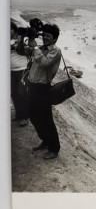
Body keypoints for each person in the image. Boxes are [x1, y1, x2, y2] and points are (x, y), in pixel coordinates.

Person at [17, 23, 62, 160]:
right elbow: (21, 52)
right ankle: (45, 140)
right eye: (44, 35)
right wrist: (23, 38)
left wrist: (35, 46)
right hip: (31, 86)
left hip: (43, 89)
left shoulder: (55, 51)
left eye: (48, 36)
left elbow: (44, 63)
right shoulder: (40, 48)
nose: (45, 38)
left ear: (54, 39)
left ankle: (54, 148)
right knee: (34, 117)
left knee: (46, 119)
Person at [10, 21, 29, 126]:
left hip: (22, 69)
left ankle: (25, 117)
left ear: (14, 30)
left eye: (10, 29)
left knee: (21, 93)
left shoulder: (21, 39)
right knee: (14, 93)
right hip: (10, 70)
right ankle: (19, 115)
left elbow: (21, 49)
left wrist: (21, 38)